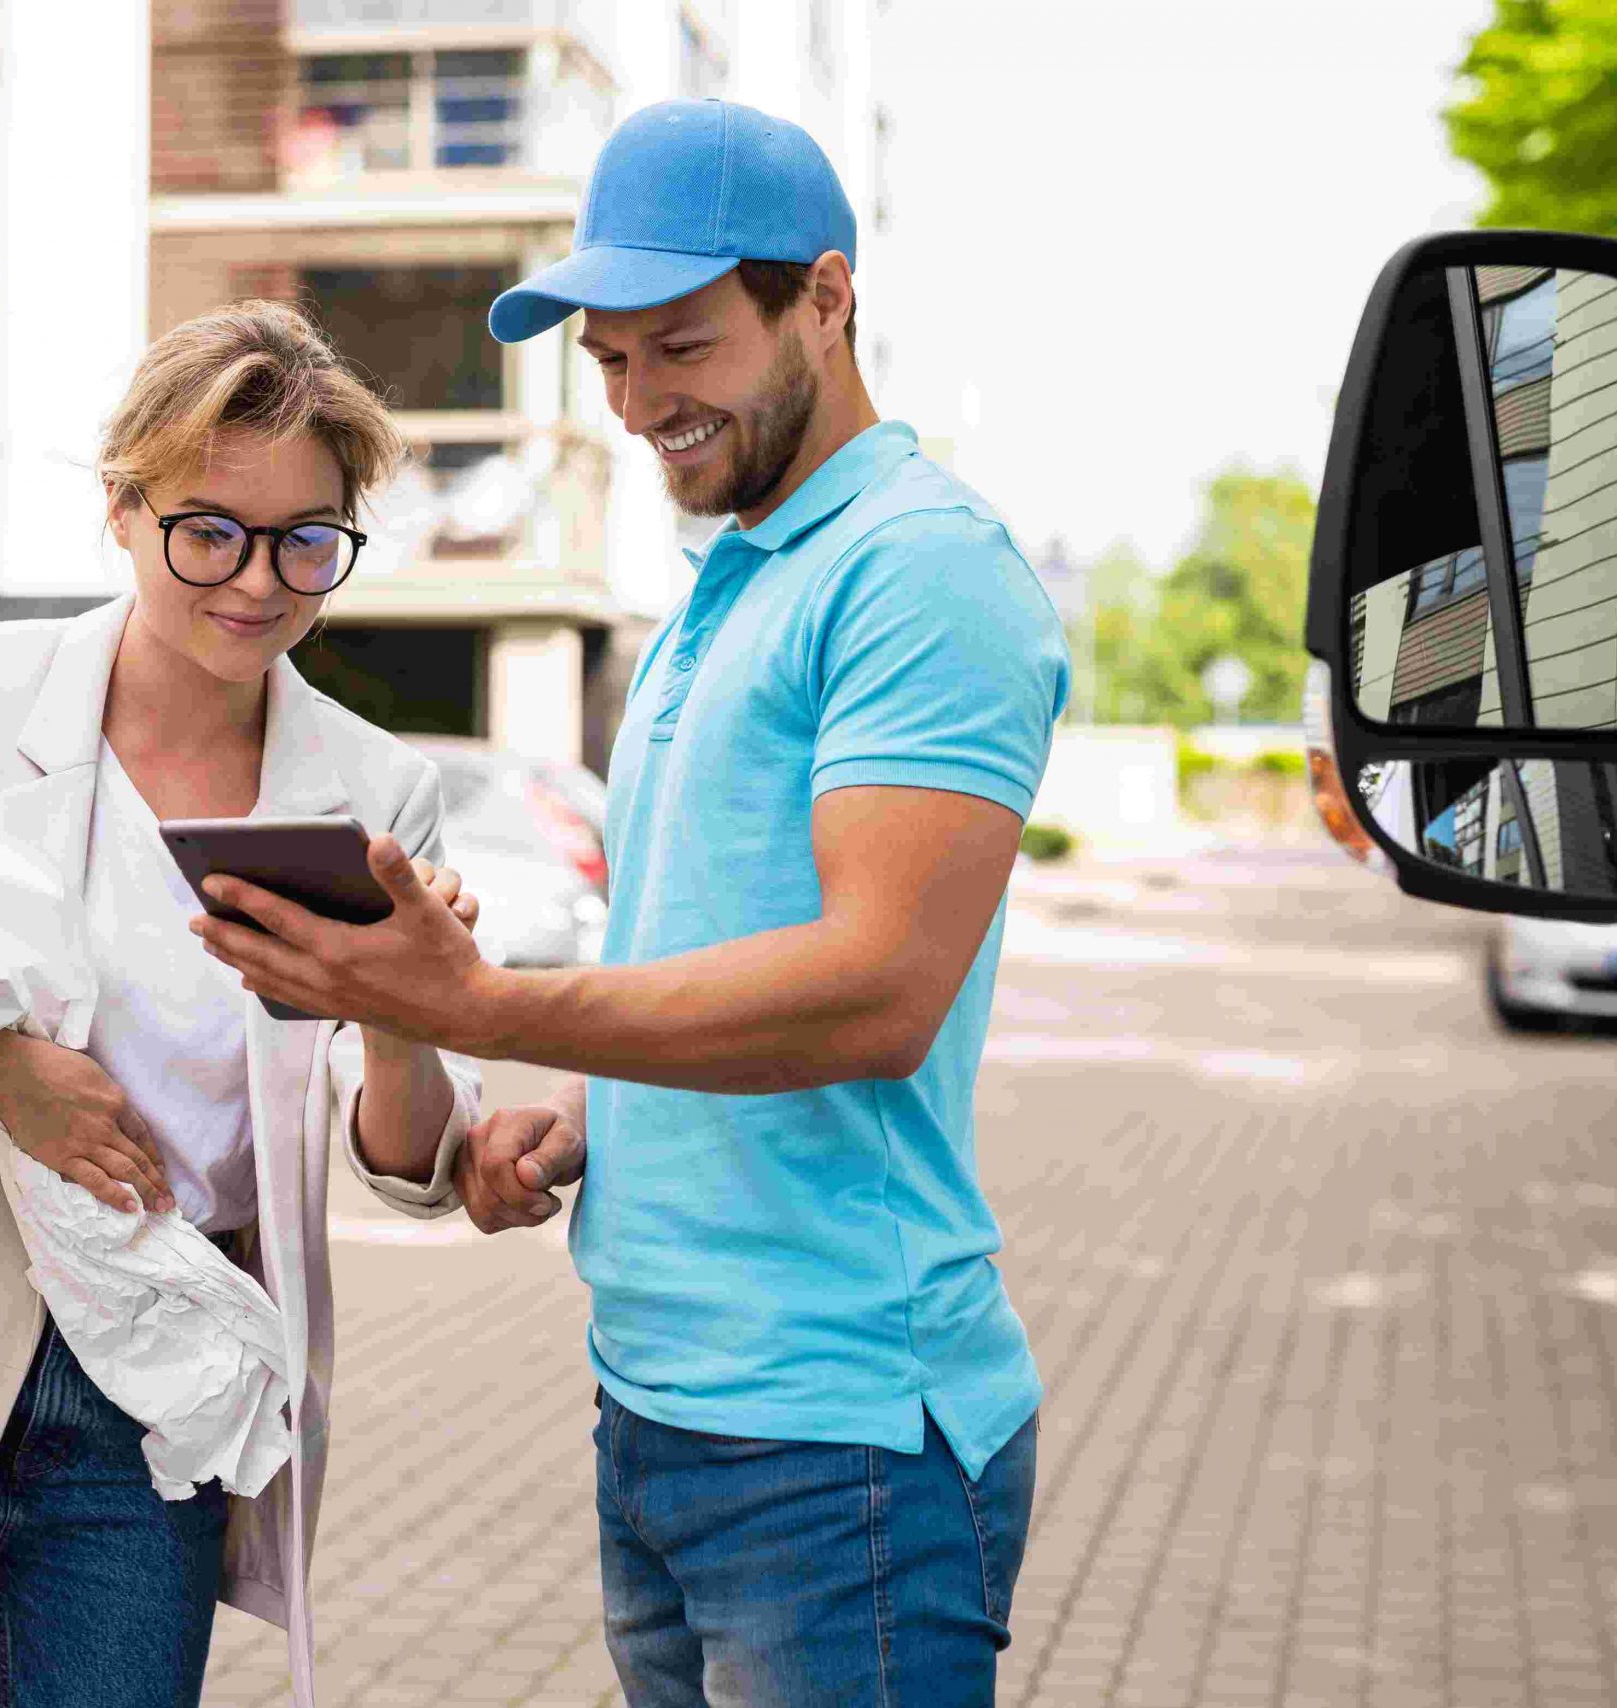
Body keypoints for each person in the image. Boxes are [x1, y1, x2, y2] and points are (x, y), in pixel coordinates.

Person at [191, 100, 1068, 1706]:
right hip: (658, 1406)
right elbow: (722, 953)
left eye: (683, 346)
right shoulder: (732, 583)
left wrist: (481, 1007)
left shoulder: (921, 572)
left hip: (841, 1441)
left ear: (824, 296)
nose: (642, 401)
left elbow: (875, 994)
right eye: (609, 361)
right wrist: (592, 1115)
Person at [0, 301, 482, 1708]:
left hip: (152, 1414)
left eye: (308, 538)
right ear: (121, 508)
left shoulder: (375, 792)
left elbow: (415, 1166)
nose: (258, 582)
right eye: (210, 531)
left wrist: (407, 1011)